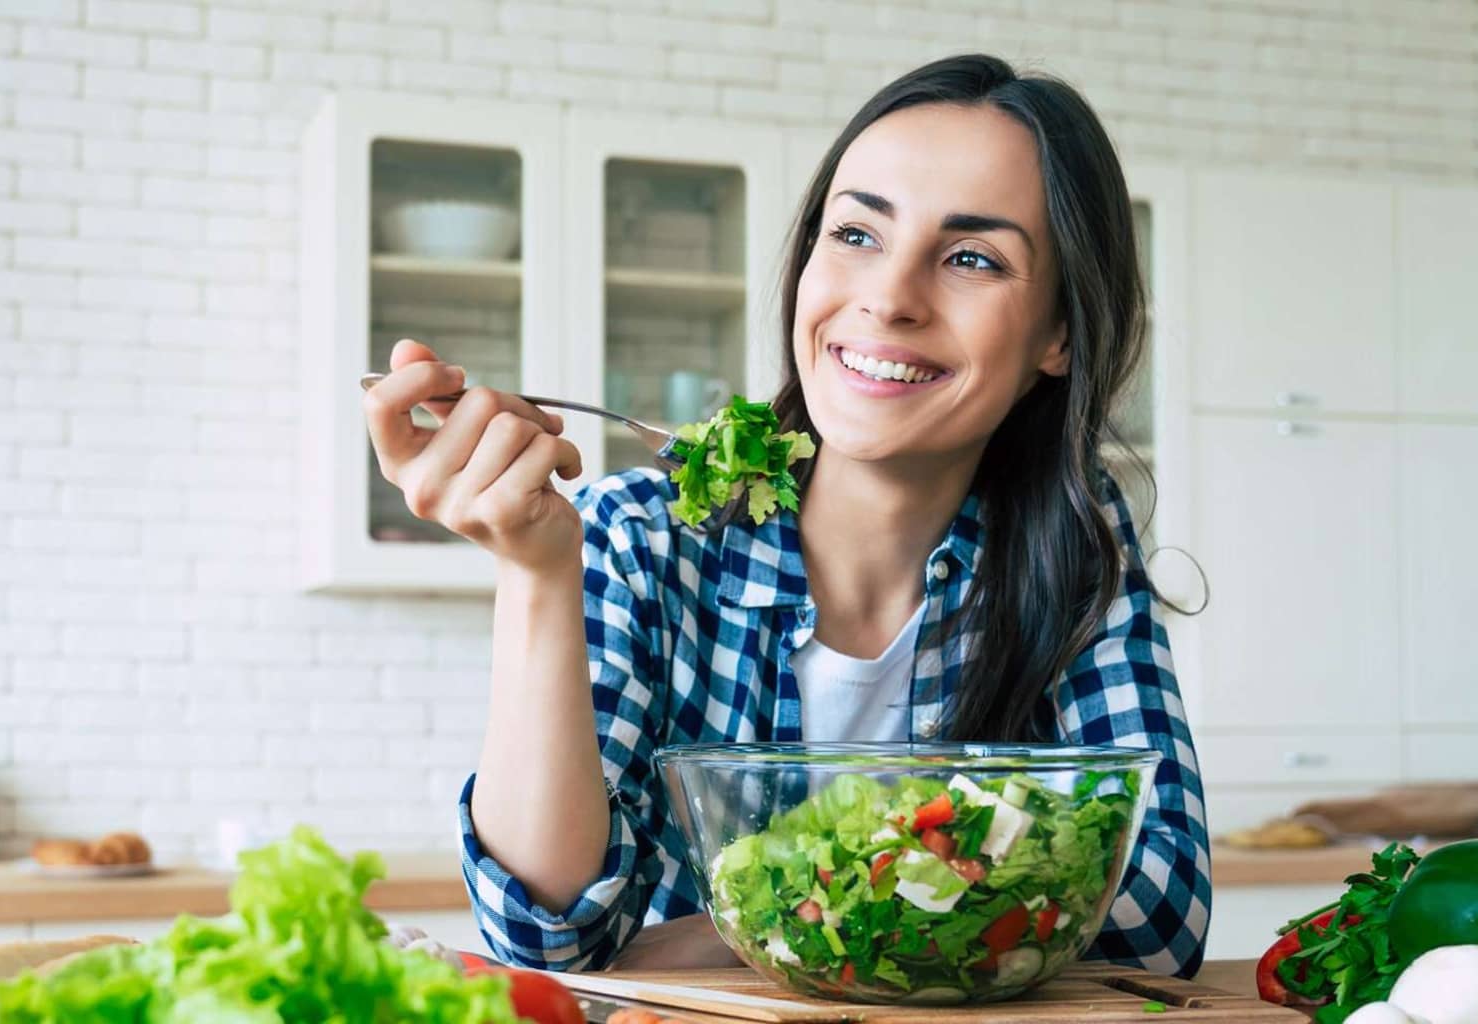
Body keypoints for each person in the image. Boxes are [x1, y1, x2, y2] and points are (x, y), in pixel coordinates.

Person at [360, 53, 1210, 979]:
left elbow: (1159, 914)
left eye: (971, 258)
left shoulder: (1076, 544)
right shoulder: (641, 537)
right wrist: (533, 571)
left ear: (1059, 334)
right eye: (856, 235)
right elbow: (550, 937)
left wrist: (742, 925)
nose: (888, 297)